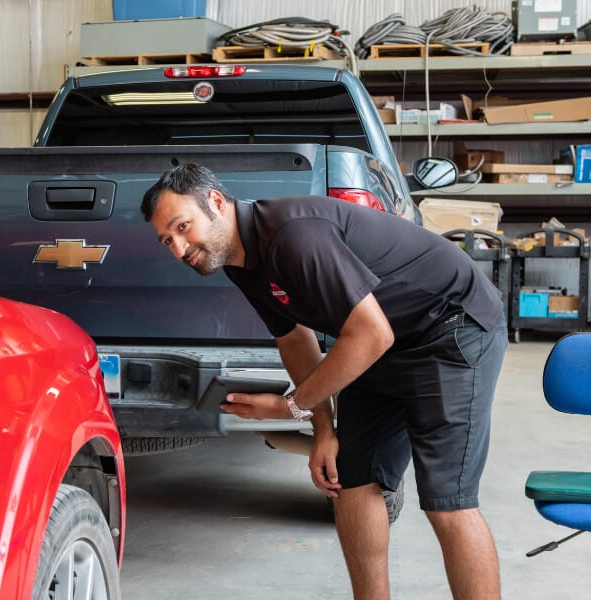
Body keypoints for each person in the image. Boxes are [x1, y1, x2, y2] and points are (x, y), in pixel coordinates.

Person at [140, 163, 507, 600]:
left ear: (217, 203)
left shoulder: (292, 236)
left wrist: (287, 406)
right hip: (384, 340)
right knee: (350, 482)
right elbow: (296, 340)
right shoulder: (240, 261)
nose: (180, 248)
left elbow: (372, 334)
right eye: (168, 240)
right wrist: (324, 430)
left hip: (452, 327)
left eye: (183, 227)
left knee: (447, 501)